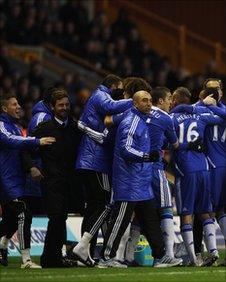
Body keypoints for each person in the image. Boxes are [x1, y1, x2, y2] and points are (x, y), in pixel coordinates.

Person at [98, 90, 182, 268]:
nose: (149, 103)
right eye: (144, 101)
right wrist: (145, 156)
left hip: (142, 181)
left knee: (151, 221)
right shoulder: (131, 121)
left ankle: (160, 257)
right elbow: (125, 149)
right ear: (135, 103)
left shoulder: (142, 120)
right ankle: (106, 258)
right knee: (120, 221)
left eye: (150, 100)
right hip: (128, 181)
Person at [72, 74, 132, 265]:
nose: (120, 93)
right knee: (105, 204)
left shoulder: (99, 100)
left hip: (88, 160)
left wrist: (85, 129)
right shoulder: (100, 95)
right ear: (113, 86)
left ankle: (84, 253)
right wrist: (135, 100)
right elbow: (110, 110)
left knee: (93, 207)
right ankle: (83, 246)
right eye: (119, 89)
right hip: (95, 161)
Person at [0, 93, 55, 268]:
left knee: (10, 219)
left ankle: (2, 245)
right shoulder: (2, 125)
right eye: (14, 104)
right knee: (24, 212)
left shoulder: (16, 127)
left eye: (18, 104)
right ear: (4, 108)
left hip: (17, 179)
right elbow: (9, 140)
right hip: (6, 179)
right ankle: (26, 260)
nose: (18, 107)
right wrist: (37, 140)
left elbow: (21, 148)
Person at [170, 87, 224, 266]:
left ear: (176, 100)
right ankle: (214, 251)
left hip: (185, 169)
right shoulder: (201, 114)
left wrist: (184, 146)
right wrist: (209, 105)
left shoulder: (171, 117)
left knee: (186, 213)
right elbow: (220, 117)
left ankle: (193, 259)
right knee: (205, 211)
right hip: (204, 167)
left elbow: (170, 143)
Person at [29, 89, 82, 268]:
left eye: (67, 105)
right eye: (61, 105)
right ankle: (49, 258)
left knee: (61, 218)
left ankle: (54, 258)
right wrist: (32, 167)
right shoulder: (44, 128)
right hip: (51, 181)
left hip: (70, 182)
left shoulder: (74, 127)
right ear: (52, 107)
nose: (64, 108)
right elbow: (26, 150)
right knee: (57, 218)